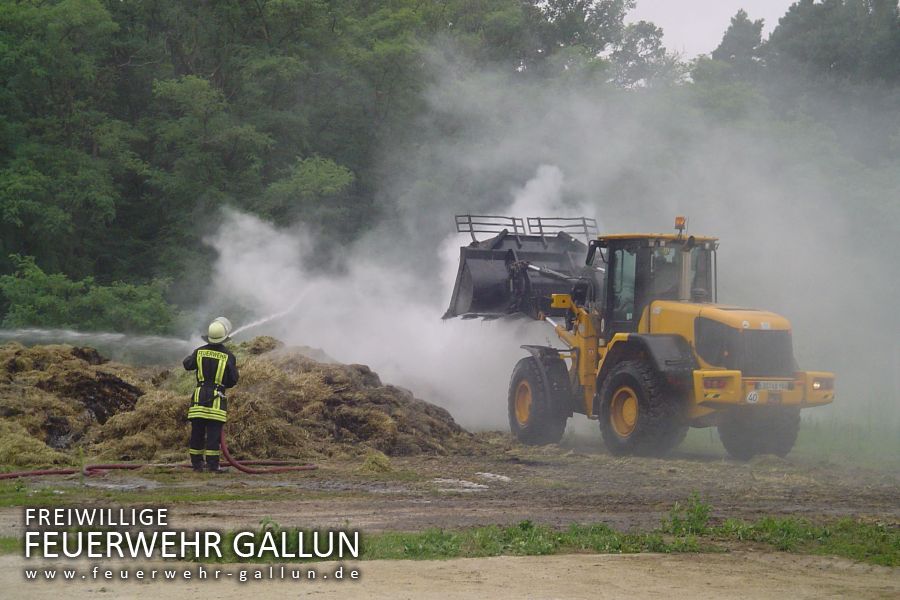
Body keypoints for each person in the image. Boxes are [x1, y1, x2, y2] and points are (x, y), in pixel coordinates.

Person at [183, 317, 239, 473]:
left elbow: (187, 365)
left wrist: (193, 354)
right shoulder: (229, 356)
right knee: (213, 434)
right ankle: (213, 466)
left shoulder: (199, 352)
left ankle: (197, 465)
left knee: (197, 432)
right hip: (216, 398)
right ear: (224, 337)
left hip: (199, 397)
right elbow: (233, 380)